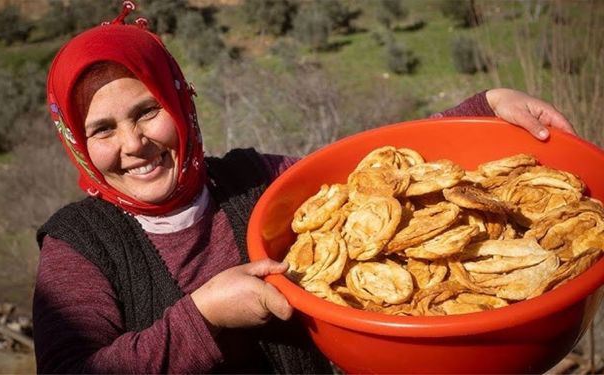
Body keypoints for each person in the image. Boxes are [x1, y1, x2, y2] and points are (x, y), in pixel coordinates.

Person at [33, 2, 578, 373]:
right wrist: (203, 318)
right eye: (102, 130)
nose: (134, 144)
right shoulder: (80, 243)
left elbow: (372, 175)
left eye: (147, 111)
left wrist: (484, 109)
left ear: (179, 101)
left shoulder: (254, 180)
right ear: (77, 143)